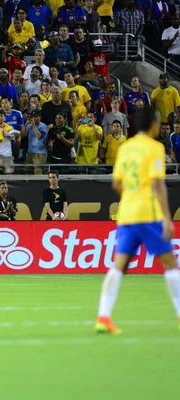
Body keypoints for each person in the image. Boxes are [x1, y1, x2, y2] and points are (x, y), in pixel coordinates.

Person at [95, 105, 180, 334]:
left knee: (118, 266)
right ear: (153, 124)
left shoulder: (126, 147)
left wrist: (132, 196)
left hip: (126, 214)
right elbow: (158, 183)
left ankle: (103, 316)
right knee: (171, 264)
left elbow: (117, 183)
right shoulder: (154, 148)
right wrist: (167, 218)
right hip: (148, 214)